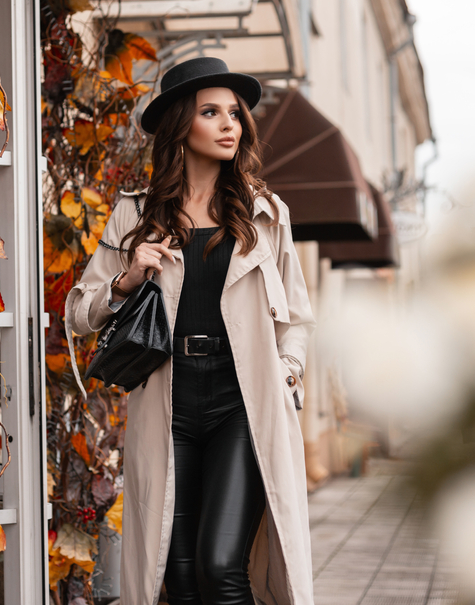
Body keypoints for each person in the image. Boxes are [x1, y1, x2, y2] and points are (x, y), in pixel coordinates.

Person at [65, 57, 315, 605]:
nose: (230, 124)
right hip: (168, 404)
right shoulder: (135, 214)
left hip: (243, 401)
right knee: (174, 574)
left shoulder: (265, 213)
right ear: (182, 125)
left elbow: (296, 317)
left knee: (221, 564)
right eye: (211, 112)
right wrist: (128, 279)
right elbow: (80, 314)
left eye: (234, 113)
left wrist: (287, 371)